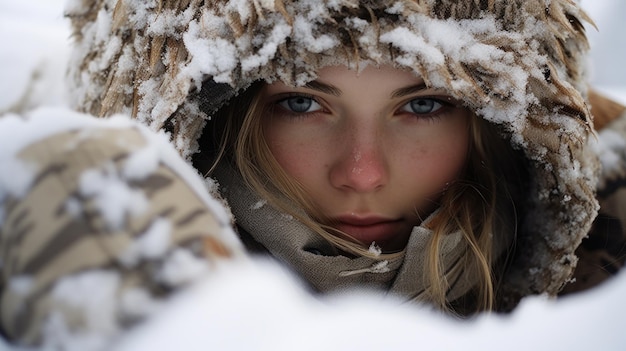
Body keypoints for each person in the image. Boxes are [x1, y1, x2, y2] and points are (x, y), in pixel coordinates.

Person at [2, 0, 626, 348]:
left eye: (423, 105)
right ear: (211, 121)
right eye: (302, 103)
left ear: (500, 131)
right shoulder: (66, 176)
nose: (362, 173)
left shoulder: (606, 251)